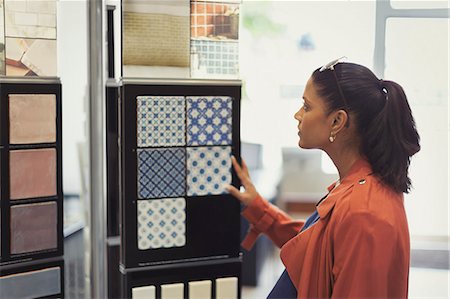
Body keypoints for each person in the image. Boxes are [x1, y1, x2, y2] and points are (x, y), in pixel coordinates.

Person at [227, 58, 421, 298]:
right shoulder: (353, 186)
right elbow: (317, 253)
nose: (297, 115)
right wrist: (259, 207)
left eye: (307, 107)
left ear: (337, 121)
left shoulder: (365, 212)